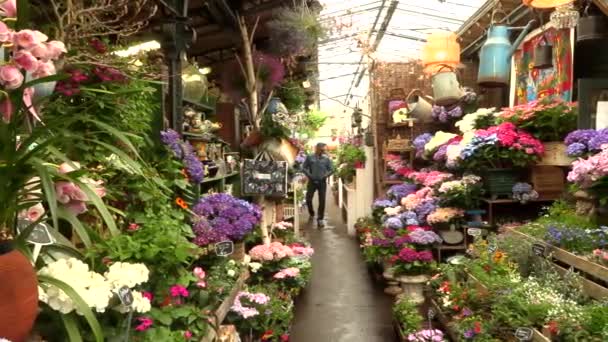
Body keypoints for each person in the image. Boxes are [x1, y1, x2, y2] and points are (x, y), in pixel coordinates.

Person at [302, 143, 334, 228]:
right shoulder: (310, 157)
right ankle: (311, 212)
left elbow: (331, 170)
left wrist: (325, 175)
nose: (323, 151)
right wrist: (309, 175)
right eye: (322, 150)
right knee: (308, 199)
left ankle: (320, 219)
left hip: (322, 182)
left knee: (322, 200)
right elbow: (304, 167)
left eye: (324, 150)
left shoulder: (327, 159)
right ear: (317, 149)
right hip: (312, 181)